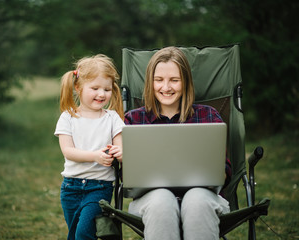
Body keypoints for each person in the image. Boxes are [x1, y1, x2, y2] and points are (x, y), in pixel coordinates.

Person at [124, 46, 232, 240]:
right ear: (150, 82)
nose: (166, 87)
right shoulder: (133, 120)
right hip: (150, 199)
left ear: (186, 82)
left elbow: (224, 172)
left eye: (174, 80)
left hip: (205, 197)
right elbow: (126, 173)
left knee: (196, 199)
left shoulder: (207, 116)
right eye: (159, 80)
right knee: (162, 200)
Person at [54, 54, 125, 240]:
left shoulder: (112, 118)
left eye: (107, 89)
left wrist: (120, 152)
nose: (102, 94)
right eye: (95, 88)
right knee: (74, 234)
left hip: (99, 187)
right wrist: (94, 156)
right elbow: (68, 151)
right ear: (77, 87)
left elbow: (122, 147)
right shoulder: (68, 118)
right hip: (71, 187)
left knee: (84, 233)